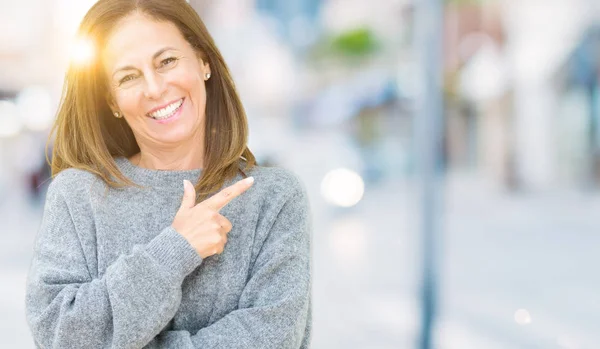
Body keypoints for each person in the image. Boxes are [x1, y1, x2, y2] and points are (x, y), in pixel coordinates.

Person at [24, 1, 312, 348]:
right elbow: (59, 334)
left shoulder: (274, 198)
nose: (155, 88)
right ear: (113, 101)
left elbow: (273, 338)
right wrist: (174, 251)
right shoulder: (77, 195)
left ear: (203, 61)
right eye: (128, 77)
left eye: (167, 61)